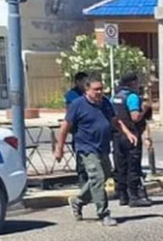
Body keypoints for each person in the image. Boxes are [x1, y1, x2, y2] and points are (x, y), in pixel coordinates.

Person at [55, 73, 132, 226]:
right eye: (96, 90)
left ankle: (77, 201)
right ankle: (103, 214)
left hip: (102, 146)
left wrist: (128, 133)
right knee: (97, 178)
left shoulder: (105, 103)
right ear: (87, 90)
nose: (99, 92)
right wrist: (59, 148)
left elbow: (115, 121)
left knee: (105, 175)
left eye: (101, 89)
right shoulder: (77, 104)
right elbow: (65, 127)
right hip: (86, 147)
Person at [111, 73, 153, 208]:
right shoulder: (132, 97)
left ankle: (123, 195)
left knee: (120, 166)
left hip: (117, 135)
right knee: (133, 166)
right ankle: (134, 196)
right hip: (131, 134)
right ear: (132, 83)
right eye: (136, 82)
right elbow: (135, 117)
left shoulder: (115, 97)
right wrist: (144, 110)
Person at [65, 72, 89, 187]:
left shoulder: (88, 92)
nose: (86, 84)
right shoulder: (72, 95)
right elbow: (71, 112)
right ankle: (82, 180)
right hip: (78, 129)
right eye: (84, 81)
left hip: (90, 129)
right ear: (78, 82)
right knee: (81, 156)